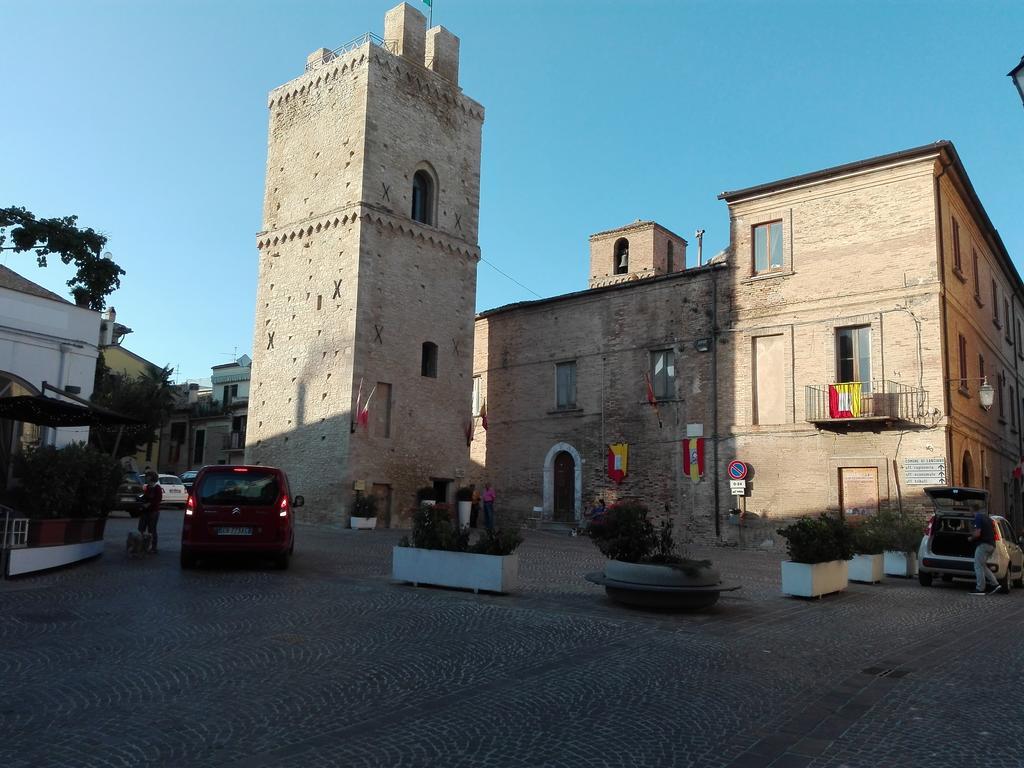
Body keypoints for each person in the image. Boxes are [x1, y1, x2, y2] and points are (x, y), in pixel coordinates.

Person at [970, 503, 1001, 595]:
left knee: (977, 565)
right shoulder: (987, 518)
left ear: (972, 509)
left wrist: (970, 538)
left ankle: (980, 589)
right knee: (983, 565)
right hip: (991, 545)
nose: (969, 511)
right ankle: (995, 584)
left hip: (983, 545)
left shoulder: (978, 518)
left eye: (970, 509)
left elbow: (978, 534)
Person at [140, 470, 163, 554]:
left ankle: (153, 547)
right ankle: (143, 545)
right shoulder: (148, 487)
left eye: (147, 476)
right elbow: (145, 497)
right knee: (141, 528)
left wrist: (149, 504)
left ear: (151, 477)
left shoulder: (157, 488)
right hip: (145, 511)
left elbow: (158, 499)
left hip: (153, 511)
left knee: (152, 529)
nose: (146, 478)